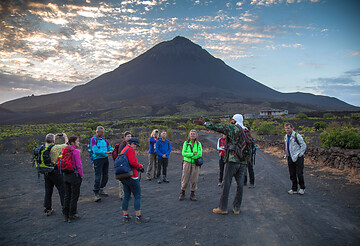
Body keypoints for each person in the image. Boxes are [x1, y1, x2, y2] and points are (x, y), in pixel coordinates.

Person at [194, 114, 253, 215]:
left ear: (235, 120)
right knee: (240, 185)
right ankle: (236, 208)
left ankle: (223, 208)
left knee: (226, 183)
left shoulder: (233, 128)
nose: (231, 121)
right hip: (243, 162)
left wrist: (204, 123)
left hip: (232, 160)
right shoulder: (246, 130)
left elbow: (218, 127)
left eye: (232, 120)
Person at [120, 137, 150, 223]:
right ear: (132, 143)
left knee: (126, 195)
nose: (136, 148)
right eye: (136, 146)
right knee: (137, 195)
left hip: (124, 176)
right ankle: (138, 217)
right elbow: (133, 162)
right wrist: (140, 166)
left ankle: (125, 215)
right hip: (132, 175)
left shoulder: (124, 150)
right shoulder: (130, 150)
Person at [43, 133, 67, 216]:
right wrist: (65, 137)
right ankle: (65, 208)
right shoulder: (56, 147)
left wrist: (53, 137)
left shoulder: (44, 147)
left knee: (48, 191)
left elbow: (48, 141)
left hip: (46, 171)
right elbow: (67, 145)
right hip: (55, 171)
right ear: (53, 141)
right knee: (62, 189)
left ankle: (48, 209)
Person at [62, 136, 83, 223]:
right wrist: (81, 176)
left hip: (66, 174)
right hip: (74, 176)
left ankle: (65, 215)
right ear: (73, 142)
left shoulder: (65, 149)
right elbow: (78, 165)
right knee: (74, 196)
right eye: (77, 141)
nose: (78, 143)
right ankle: (72, 214)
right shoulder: (75, 152)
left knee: (67, 195)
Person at [90, 126, 113, 202]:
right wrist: (105, 152)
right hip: (98, 159)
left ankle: (101, 188)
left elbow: (109, 147)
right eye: (101, 132)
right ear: (97, 132)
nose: (103, 134)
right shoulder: (93, 139)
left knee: (105, 175)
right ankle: (96, 192)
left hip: (105, 159)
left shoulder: (104, 139)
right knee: (98, 176)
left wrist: (112, 150)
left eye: (103, 132)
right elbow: (95, 150)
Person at [179, 129, 203, 201]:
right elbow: (183, 153)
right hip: (187, 163)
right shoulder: (185, 143)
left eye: (194, 134)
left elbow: (199, 154)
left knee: (194, 178)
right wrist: (193, 154)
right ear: (189, 135)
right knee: (185, 177)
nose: (192, 135)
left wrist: (189, 155)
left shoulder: (199, 144)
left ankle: (192, 193)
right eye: (191, 134)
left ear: (196, 136)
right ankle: (182, 192)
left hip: (195, 163)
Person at [284, 123, 307, 195]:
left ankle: (302, 188)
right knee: (292, 173)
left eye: (288, 128)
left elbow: (303, 145)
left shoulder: (297, 136)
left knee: (299, 173)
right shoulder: (286, 136)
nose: (287, 130)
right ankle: (294, 188)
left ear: (292, 128)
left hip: (298, 157)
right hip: (290, 157)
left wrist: (300, 154)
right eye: (286, 128)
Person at [116, 131, 132, 200]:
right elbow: (120, 155)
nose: (129, 138)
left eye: (130, 136)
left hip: (127, 164)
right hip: (122, 164)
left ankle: (126, 194)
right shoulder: (122, 145)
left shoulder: (129, 144)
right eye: (128, 136)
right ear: (124, 137)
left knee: (127, 179)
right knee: (122, 180)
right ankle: (122, 195)